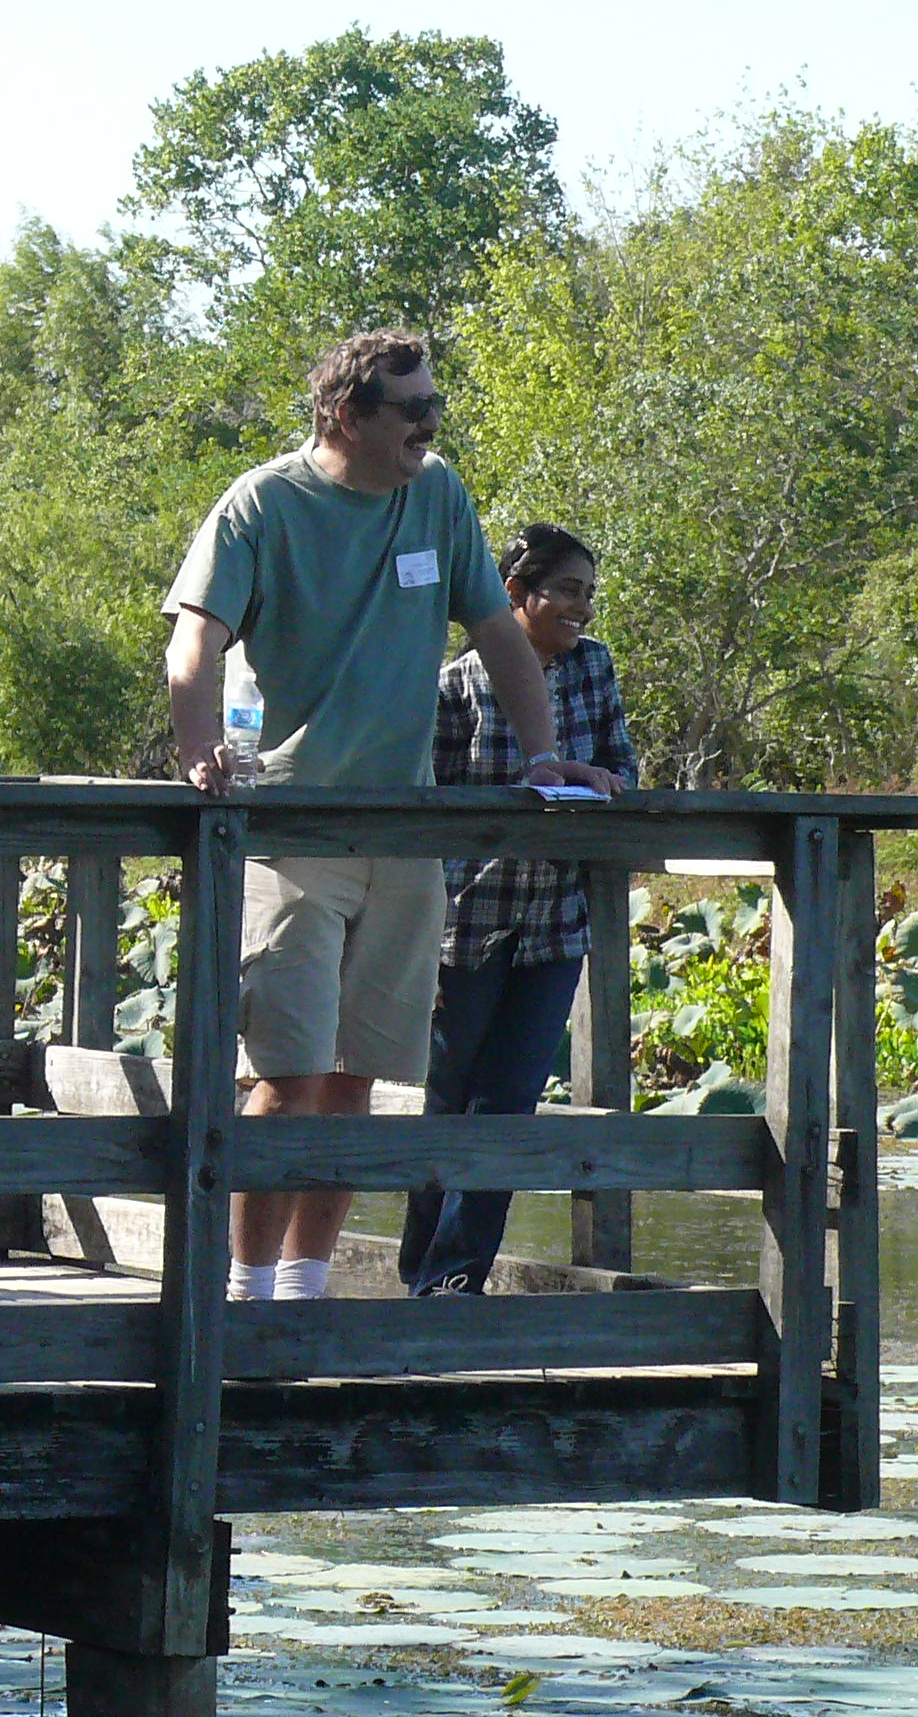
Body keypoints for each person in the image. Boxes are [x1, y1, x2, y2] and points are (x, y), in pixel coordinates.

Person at [164, 330, 581, 1303]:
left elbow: (497, 637)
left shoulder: (436, 494)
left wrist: (543, 753)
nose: (430, 426)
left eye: (437, 406)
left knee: (357, 1081)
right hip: (289, 834)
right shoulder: (262, 504)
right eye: (412, 410)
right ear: (346, 415)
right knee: (286, 1078)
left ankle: (305, 1296)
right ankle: (242, 1296)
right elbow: (195, 645)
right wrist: (197, 752)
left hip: (402, 838)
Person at [401, 524, 639, 1296]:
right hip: (467, 920)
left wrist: (595, 780)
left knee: (510, 1100)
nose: (582, 608)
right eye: (568, 590)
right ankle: (420, 1270)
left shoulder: (593, 668)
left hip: (555, 920)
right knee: (449, 1096)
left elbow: (622, 765)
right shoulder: (456, 683)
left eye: (588, 593)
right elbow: (430, 798)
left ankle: (457, 1278)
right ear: (516, 593)